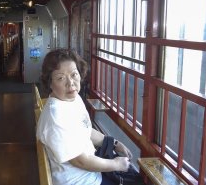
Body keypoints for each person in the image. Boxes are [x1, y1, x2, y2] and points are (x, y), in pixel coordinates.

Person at [36, 48, 133, 185]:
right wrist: (116, 164)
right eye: (60, 78)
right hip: (80, 181)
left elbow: (85, 130)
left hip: (91, 175)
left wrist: (114, 143)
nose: (70, 83)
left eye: (74, 74)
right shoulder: (55, 116)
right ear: (50, 83)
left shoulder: (73, 99)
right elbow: (80, 161)